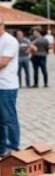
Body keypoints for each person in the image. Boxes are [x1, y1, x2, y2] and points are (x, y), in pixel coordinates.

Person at [0, 19, 21, 154]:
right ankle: (2, 148)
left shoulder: (10, 41)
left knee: (8, 118)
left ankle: (12, 147)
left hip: (6, 86)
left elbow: (2, 63)